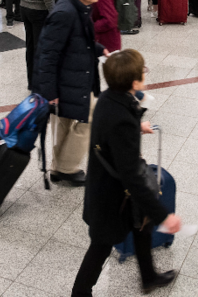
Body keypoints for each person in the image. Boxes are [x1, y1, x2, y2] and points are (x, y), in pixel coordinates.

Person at [71, 49, 180, 297]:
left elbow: (111, 132)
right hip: (112, 197)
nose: (145, 73)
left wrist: (136, 126)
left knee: (142, 226)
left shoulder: (110, 98)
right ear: (133, 82)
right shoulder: (120, 117)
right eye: (143, 71)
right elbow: (132, 175)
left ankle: (149, 277)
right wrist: (165, 215)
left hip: (112, 188)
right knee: (100, 246)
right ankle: (79, 293)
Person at [34, 0, 108, 187]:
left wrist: (99, 49)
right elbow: (47, 55)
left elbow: (76, 41)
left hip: (70, 78)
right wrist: (50, 92)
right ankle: (67, 168)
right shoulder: (65, 13)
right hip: (65, 82)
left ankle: (58, 168)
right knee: (91, 117)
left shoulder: (77, 7)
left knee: (65, 123)